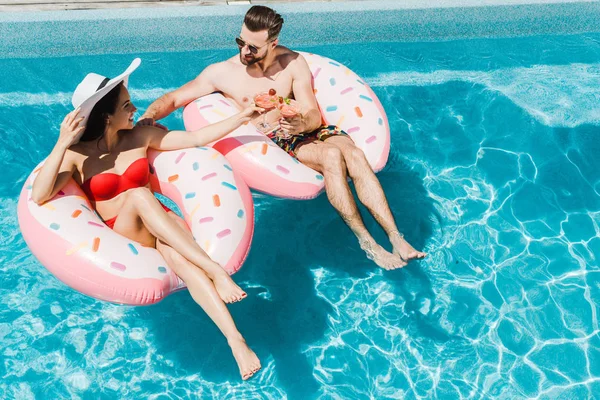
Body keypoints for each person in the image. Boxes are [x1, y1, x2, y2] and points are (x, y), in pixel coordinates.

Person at [139, 6, 427, 270]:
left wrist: (300, 120)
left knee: (353, 153)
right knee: (331, 156)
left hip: (306, 127)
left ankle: (396, 237)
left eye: (253, 46)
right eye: (240, 42)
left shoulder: (292, 64)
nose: (244, 51)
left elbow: (313, 114)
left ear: (273, 44)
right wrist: (148, 118)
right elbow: (174, 97)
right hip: (281, 138)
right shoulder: (223, 73)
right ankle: (368, 243)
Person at [31, 59, 262, 380]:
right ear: (106, 116)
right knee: (139, 195)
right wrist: (61, 142)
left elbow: (196, 139)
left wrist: (242, 117)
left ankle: (236, 341)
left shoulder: (139, 136)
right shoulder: (77, 156)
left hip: (159, 222)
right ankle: (217, 272)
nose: (135, 108)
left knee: (184, 264)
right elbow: (39, 194)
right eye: (127, 104)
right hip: (123, 232)